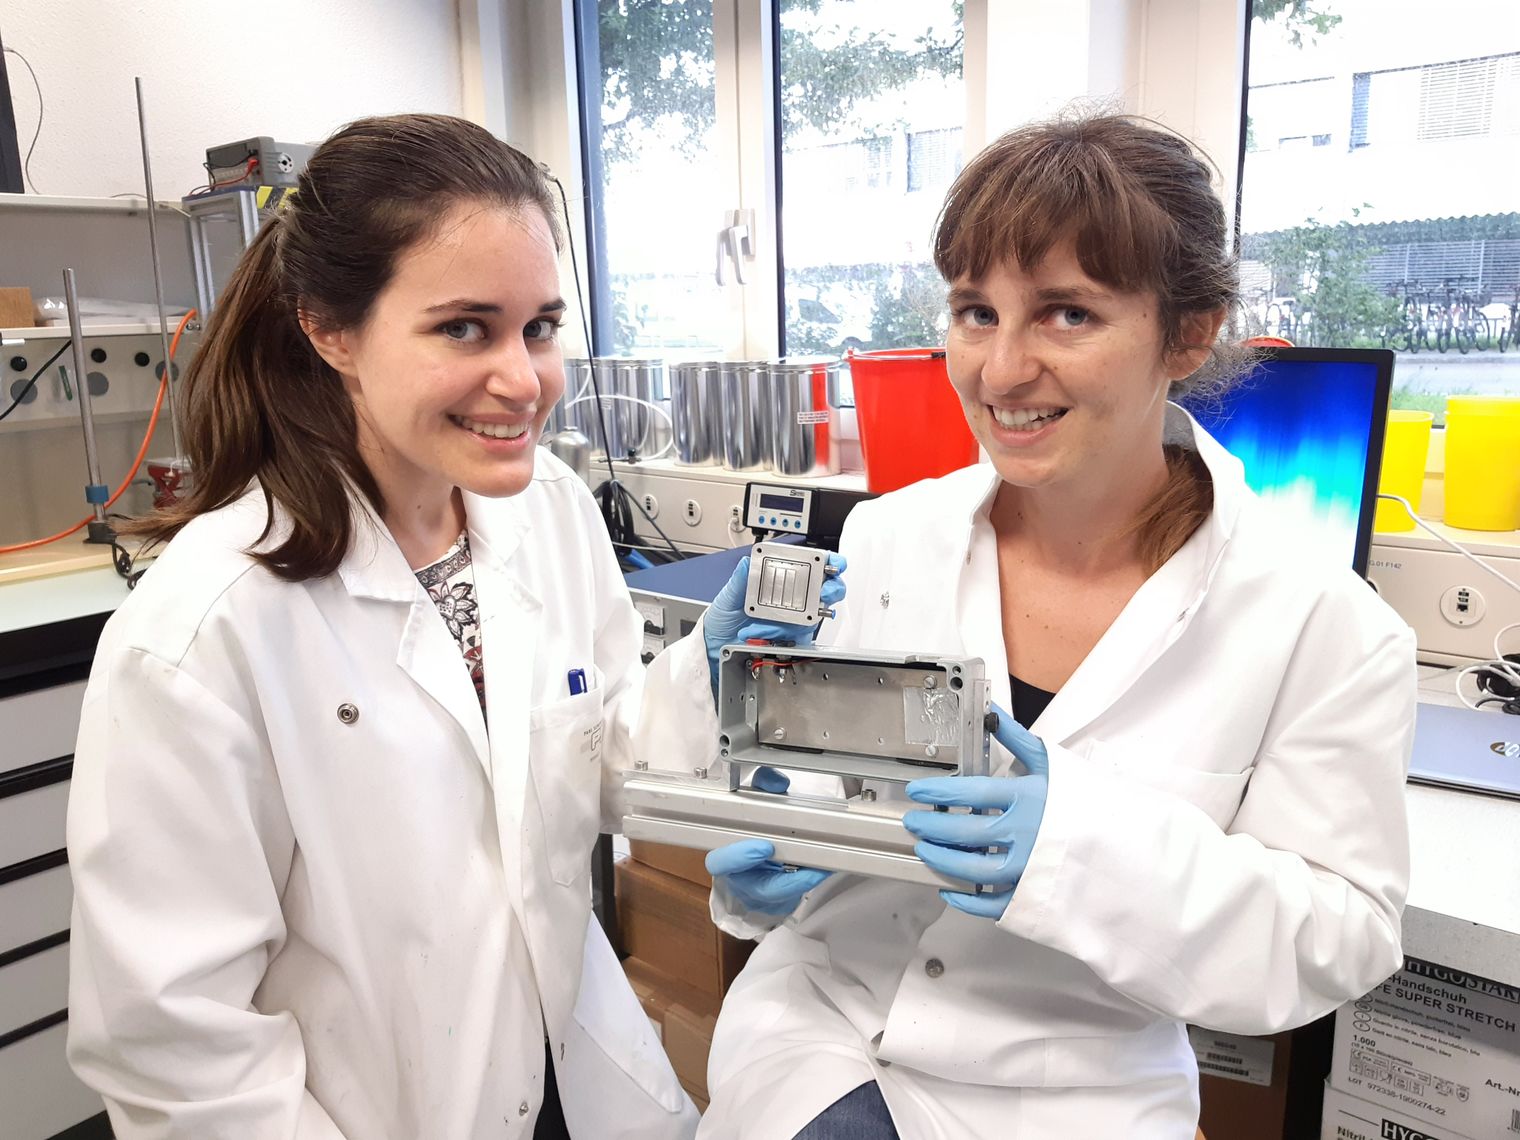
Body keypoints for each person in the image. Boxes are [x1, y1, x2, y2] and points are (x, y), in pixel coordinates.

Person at [65, 114, 840, 1140]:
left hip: (574, 1071)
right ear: (329, 329)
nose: (523, 379)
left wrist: (708, 672)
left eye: (539, 326)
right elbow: (174, 1047)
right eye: (464, 328)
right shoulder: (204, 634)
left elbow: (590, 747)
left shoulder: (544, 511)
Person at [697, 113, 1415, 1139]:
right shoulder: (887, 538)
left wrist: (1079, 853)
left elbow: (1338, 936)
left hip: (1072, 1098)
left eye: (1066, 315)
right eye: (974, 311)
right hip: (814, 1049)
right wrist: (770, 853)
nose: (997, 371)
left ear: (1189, 331)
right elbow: (812, 788)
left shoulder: (1322, 627)